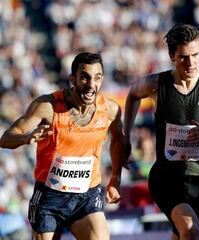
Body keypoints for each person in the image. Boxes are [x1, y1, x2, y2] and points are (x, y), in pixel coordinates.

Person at [124, 23, 199, 240]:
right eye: (183, 56)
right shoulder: (156, 84)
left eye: (196, 55)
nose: (191, 63)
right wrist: (126, 137)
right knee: (190, 230)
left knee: (182, 234)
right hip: (166, 178)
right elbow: (133, 95)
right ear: (172, 56)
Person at [0, 52, 125, 240]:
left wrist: (115, 178)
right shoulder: (47, 106)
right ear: (72, 79)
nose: (91, 85)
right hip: (49, 198)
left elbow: (118, 140)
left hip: (86, 196)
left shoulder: (111, 110)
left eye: (97, 78)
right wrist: (26, 138)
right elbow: (6, 138)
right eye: (85, 77)